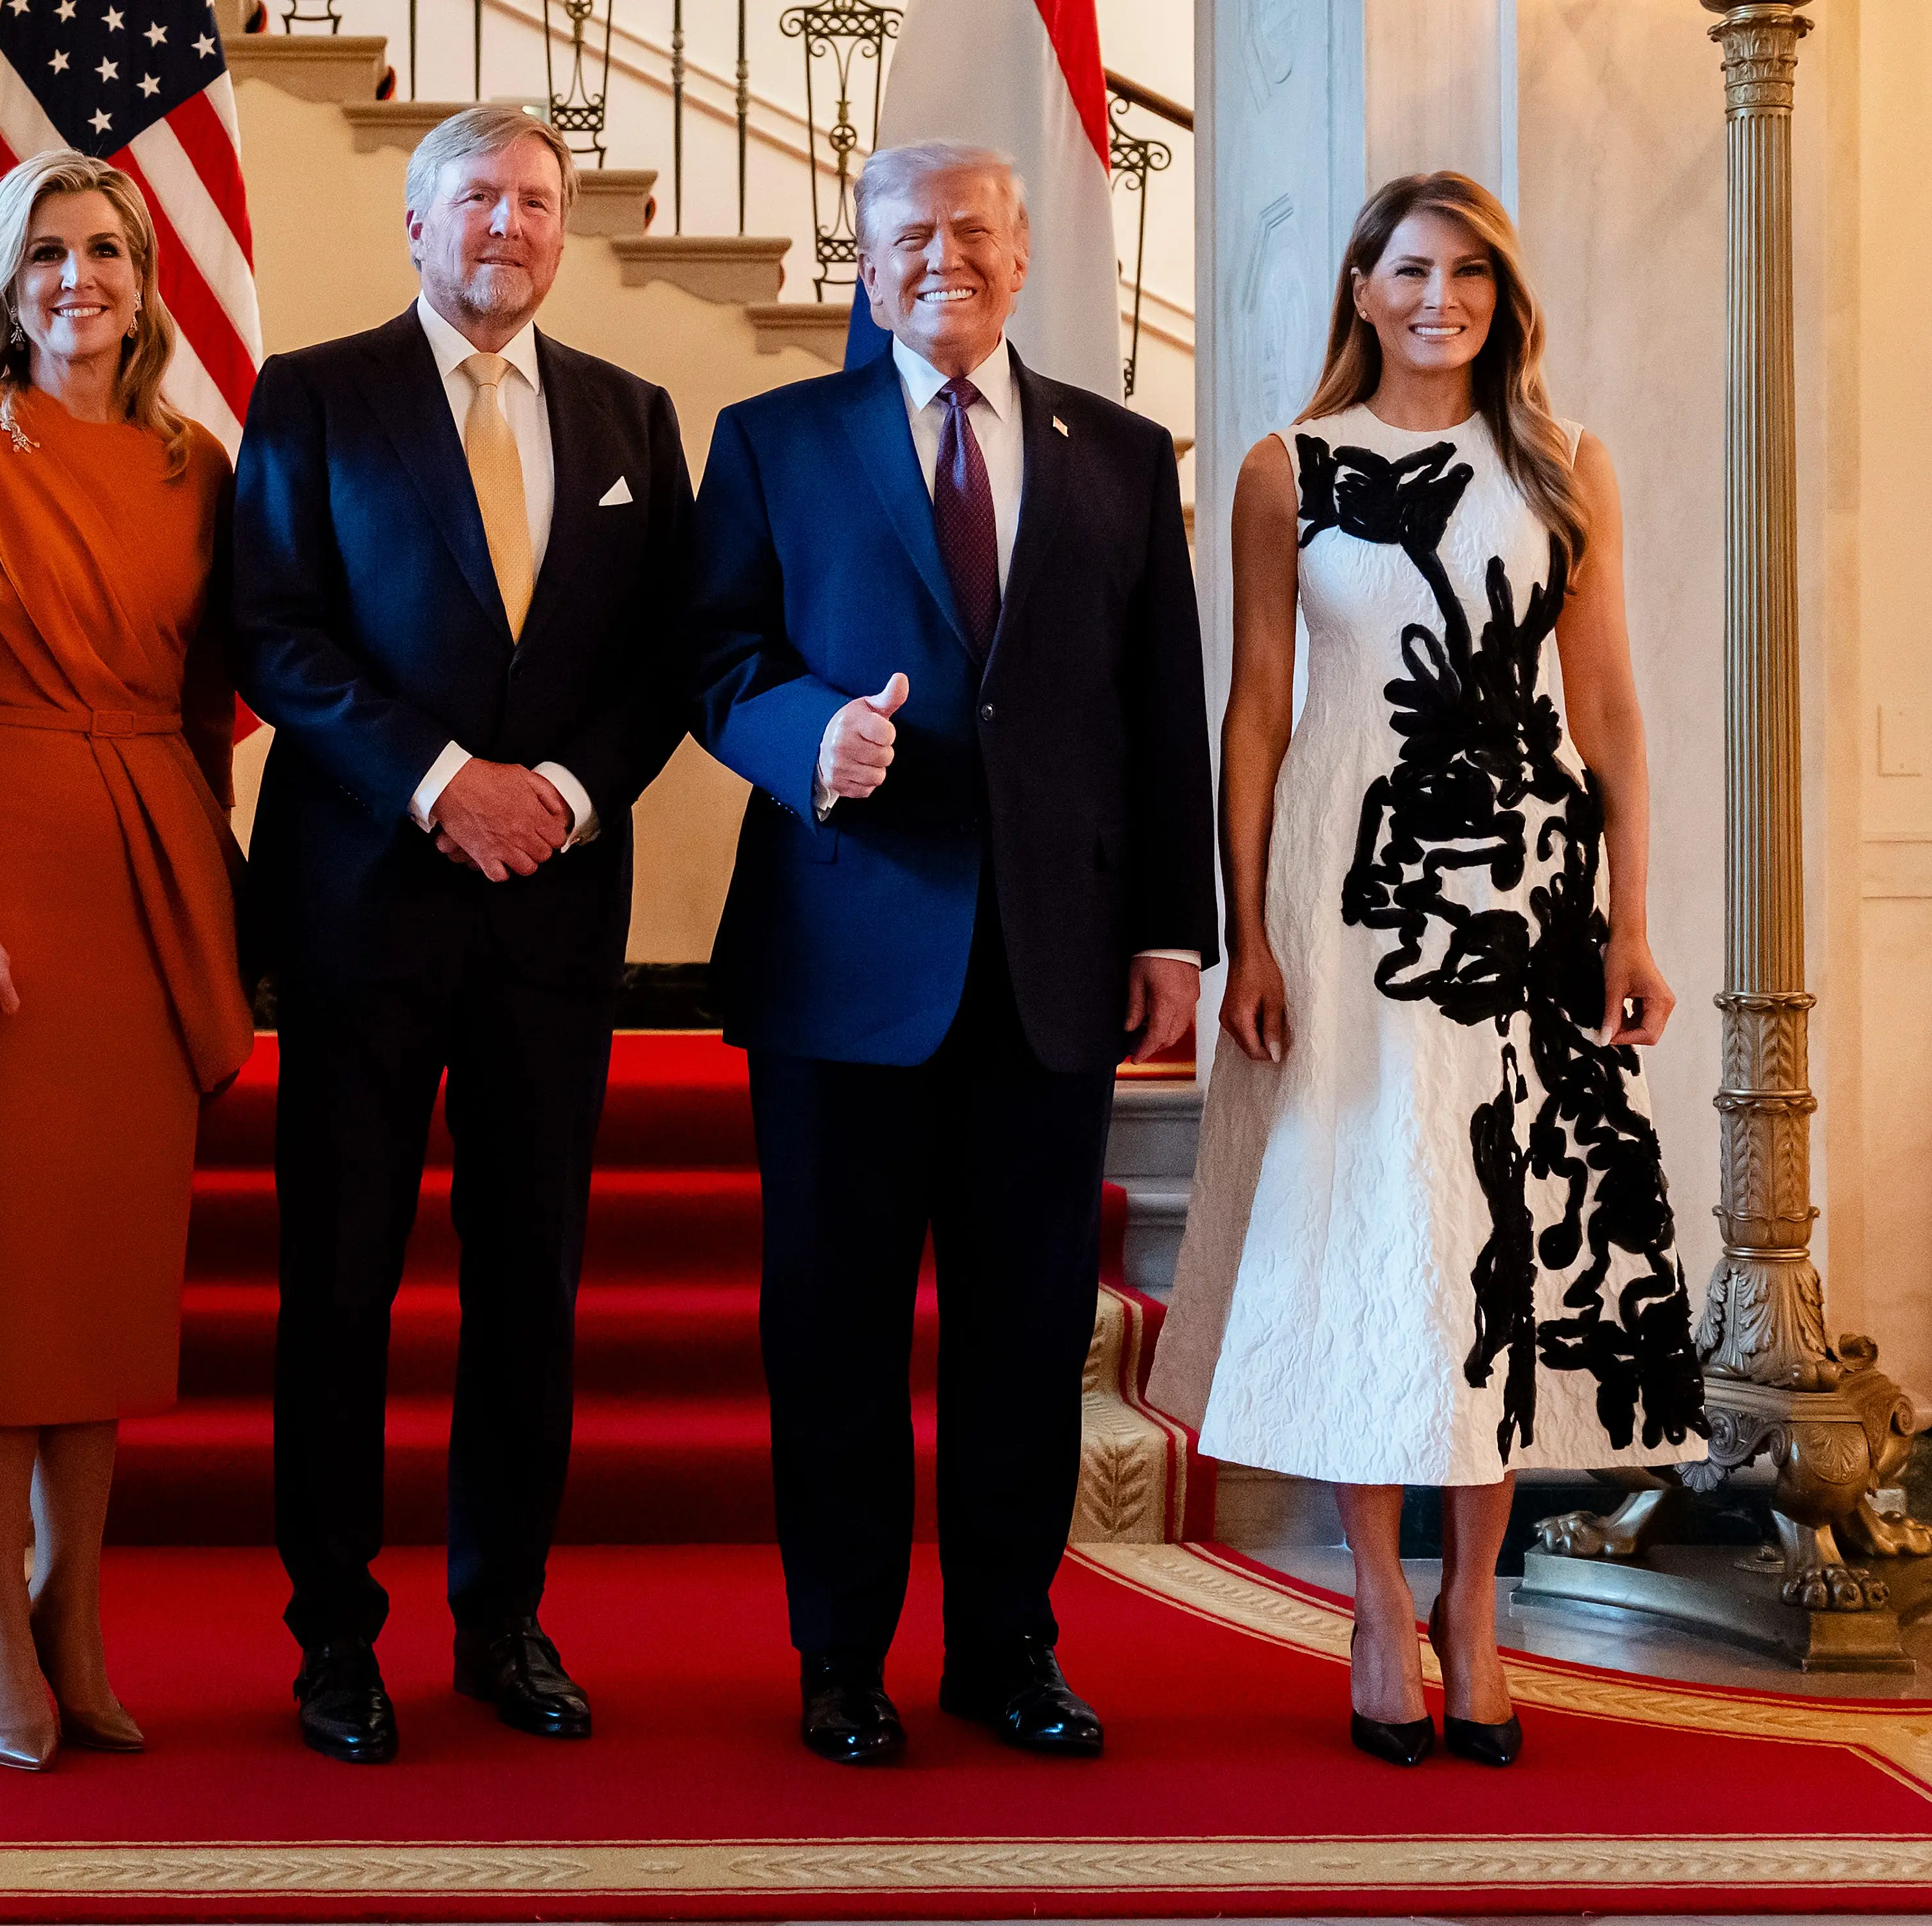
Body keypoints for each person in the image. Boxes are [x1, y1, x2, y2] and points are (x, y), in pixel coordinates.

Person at [1147, 172, 1708, 1771]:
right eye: (1410, 268)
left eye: (1467, 270)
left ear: (1497, 295)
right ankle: (1378, 1605)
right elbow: (1255, 707)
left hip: (1526, 903)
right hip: (1346, 890)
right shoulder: (1285, 468)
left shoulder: (1559, 462)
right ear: (1360, 286)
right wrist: (1241, 926)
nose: (1438, 295)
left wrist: (1632, 920)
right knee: (1369, 1224)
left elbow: (1605, 712)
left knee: (1500, 1240)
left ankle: (1473, 1605)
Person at [689, 140, 1214, 1767]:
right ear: (861, 258)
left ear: (1024, 249)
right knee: (834, 1330)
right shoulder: (772, 440)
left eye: (972, 233)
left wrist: (1172, 933)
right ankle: (839, 1657)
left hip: (1051, 966)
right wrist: (807, 735)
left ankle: (1006, 1646)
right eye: (909, 235)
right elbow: (713, 658)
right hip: (844, 960)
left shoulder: (1122, 455)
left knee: (1020, 1328)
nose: (943, 258)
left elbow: (1156, 707)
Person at [233, 105, 693, 1765]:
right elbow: (269, 633)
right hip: (365, 903)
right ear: (415, 228)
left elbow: (667, 664)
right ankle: (334, 1640)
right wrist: (441, 784)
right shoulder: (313, 395)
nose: (508, 223)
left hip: (552, 918)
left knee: (527, 1290)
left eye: (536, 201)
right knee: (339, 1287)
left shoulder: (632, 413)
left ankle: (502, 1621)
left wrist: (559, 793)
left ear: (560, 235)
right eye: (477, 197)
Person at [0, 150, 253, 1773]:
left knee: (101, 1256)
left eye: (103, 249)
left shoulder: (194, 464)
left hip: (149, 865)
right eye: (43, 252)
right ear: (1, 274)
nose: (74, 278)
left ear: (144, 276)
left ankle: (73, 1603)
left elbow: (215, 704)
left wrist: (209, 894)